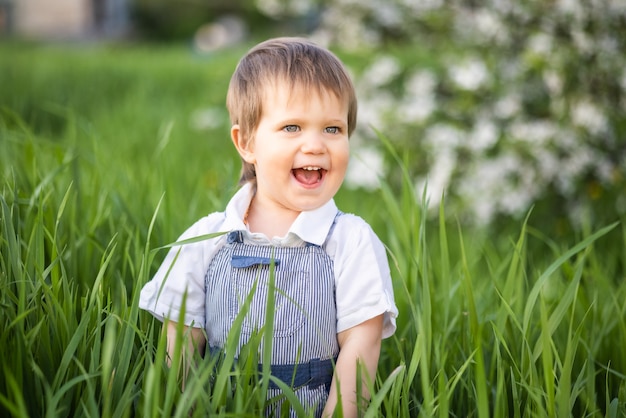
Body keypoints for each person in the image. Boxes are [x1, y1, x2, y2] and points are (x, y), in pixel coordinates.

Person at [139, 37, 398, 417]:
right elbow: (182, 338)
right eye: (292, 127)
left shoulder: (350, 241)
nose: (315, 145)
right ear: (246, 142)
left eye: (332, 129)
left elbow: (362, 344)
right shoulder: (205, 240)